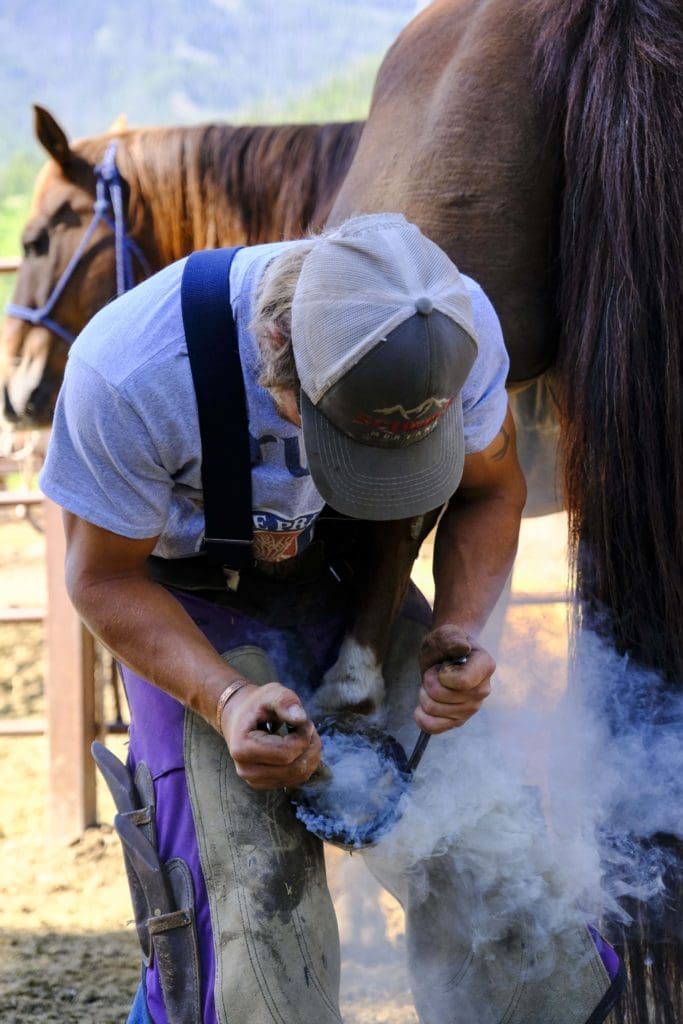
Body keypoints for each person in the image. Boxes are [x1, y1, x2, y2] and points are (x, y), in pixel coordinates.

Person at [39, 213, 623, 1024]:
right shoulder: (135, 372)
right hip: (188, 605)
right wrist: (226, 698)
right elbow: (102, 579)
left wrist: (459, 627)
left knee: (503, 876)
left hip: (359, 584)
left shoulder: (454, 330)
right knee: (246, 926)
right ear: (273, 343)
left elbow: (489, 490)